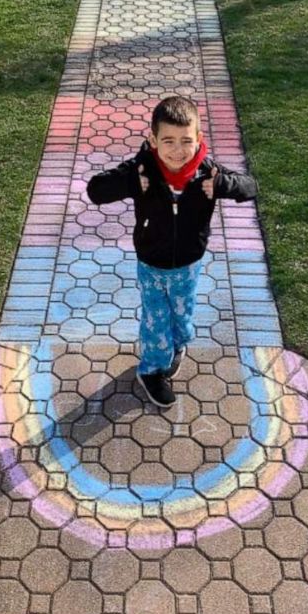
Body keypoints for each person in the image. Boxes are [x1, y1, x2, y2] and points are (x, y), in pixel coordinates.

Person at [86, 95, 257, 408]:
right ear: (153, 139)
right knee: (156, 319)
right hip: (151, 262)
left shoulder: (207, 171)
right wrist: (131, 184)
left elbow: (250, 187)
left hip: (189, 262)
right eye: (168, 141)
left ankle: (177, 345)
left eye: (185, 141)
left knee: (182, 314)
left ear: (199, 138)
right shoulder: (142, 169)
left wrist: (223, 186)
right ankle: (151, 371)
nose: (178, 151)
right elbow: (95, 189)